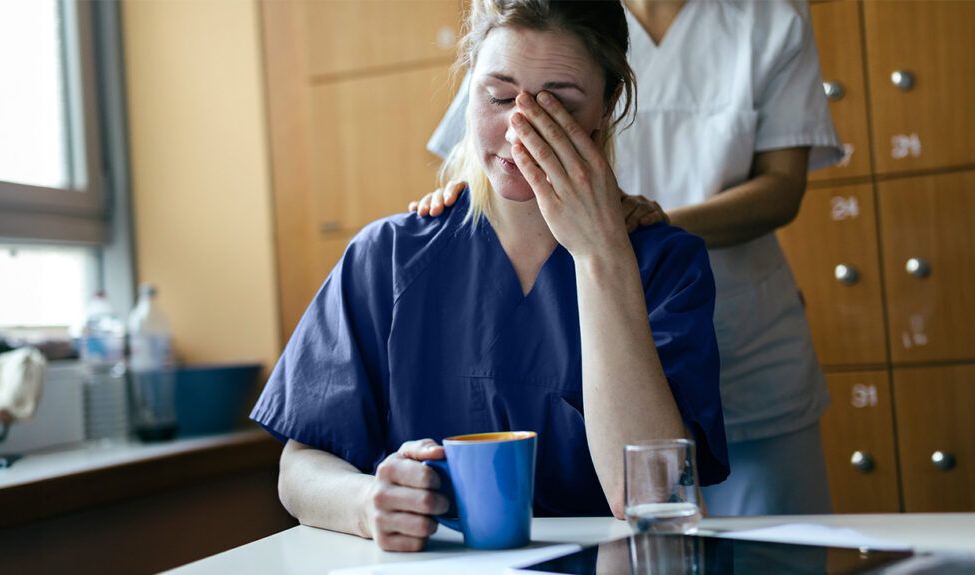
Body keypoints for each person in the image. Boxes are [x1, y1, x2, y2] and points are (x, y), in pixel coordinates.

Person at [251, 0, 728, 552]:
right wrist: (366, 503)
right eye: (498, 97)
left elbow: (653, 497)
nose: (519, 128)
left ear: (607, 105)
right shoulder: (387, 256)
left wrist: (601, 258)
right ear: (468, 89)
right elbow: (298, 467)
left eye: (558, 105)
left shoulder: (664, 266)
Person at [417, 0, 842, 516]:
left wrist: (629, 228)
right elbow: (486, 135)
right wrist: (469, 196)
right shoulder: (557, 12)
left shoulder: (771, 18)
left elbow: (782, 188)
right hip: (597, 343)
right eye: (504, 96)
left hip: (745, 345)